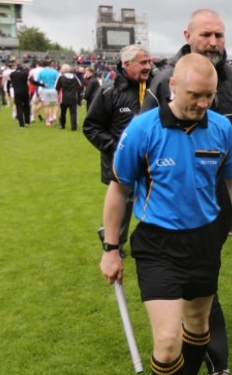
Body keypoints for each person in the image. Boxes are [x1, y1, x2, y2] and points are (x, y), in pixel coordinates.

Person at [100, 53, 232, 375]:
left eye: (209, 95)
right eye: (195, 95)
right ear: (172, 88)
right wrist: (111, 249)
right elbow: (119, 189)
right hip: (157, 245)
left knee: (199, 327)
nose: (203, 103)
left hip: (204, 243)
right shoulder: (143, 129)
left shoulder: (221, 127)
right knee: (168, 342)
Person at [143, 8, 232, 375]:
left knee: (203, 295)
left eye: (220, 35)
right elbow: (143, 148)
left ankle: (201, 369)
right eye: (207, 34)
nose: (214, 42)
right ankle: (214, 370)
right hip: (172, 217)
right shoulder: (162, 81)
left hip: (222, 209)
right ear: (188, 35)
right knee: (195, 305)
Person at [83, 44, 153, 257]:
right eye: (143, 62)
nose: (148, 66)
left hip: (152, 159)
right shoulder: (109, 91)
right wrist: (118, 148)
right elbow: (91, 127)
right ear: (126, 64)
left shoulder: (154, 88)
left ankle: (153, 244)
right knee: (125, 201)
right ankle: (115, 242)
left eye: (149, 62)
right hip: (120, 161)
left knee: (153, 199)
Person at [55, 64, 82, 131]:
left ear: (63, 70)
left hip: (63, 97)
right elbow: (80, 86)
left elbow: (56, 87)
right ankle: (74, 127)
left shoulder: (61, 77)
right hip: (73, 97)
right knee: (73, 113)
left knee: (63, 112)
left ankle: (62, 125)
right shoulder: (75, 77)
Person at [37, 61, 60, 127]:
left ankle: (48, 121)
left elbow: (38, 81)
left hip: (45, 89)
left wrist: (43, 84)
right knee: (55, 104)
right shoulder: (54, 71)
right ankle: (54, 116)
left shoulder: (41, 72)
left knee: (46, 106)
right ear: (50, 65)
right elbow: (58, 80)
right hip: (53, 89)